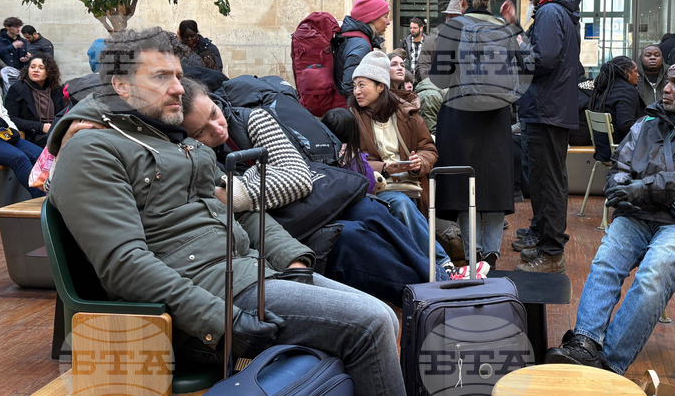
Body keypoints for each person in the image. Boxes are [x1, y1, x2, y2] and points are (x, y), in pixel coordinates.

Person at [47, 28, 404, 395]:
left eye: (179, 76)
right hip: (190, 310)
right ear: (121, 86)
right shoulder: (91, 149)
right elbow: (124, 263)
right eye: (160, 77)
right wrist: (223, 321)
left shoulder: (174, 140)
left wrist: (293, 259)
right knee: (372, 323)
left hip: (246, 274)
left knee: (385, 318)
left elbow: (239, 210)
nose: (177, 89)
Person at [176, 81, 474, 305]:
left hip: (316, 200)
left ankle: (440, 280)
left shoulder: (252, 118)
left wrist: (241, 190)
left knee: (373, 211)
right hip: (295, 227)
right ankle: (434, 298)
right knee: (352, 237)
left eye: (215, 113)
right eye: (202, 131)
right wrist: (269, 179)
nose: (217, 128)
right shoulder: (195, 159)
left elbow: (298, 179)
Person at [544, 58, 675, 373]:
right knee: (606, 262)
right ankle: (584, 344)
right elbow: (620, 165)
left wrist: (648, 188)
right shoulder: (646, 123)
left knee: (653, 276)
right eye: (666, 82)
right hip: (639, 215)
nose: (665, 89)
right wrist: (619, 186)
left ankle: (609, 363)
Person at [347, 52, 488, 275]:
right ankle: (444, 266)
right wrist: (383, 167)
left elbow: (428, 149)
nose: (356, 91)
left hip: (413, 186)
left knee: (406, 204)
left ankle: (429, 270)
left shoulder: (406, 113)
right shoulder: (352, 118)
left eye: (362, 85)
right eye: (354, 85)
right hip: (378, 188)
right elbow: (349, 158)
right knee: (401, 204)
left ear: (381, 86)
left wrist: (417, 162)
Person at [429, 0, 519, 270]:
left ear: (463, 2)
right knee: (493, 185)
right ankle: (492, 254)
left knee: (466, 184)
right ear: (488, 0)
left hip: (460, 114)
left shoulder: (452, 28)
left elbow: (439, 78)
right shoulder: (504, 28)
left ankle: (473, 256)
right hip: (496, 117)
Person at [500, 0, 581, 274]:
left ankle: (551, 254)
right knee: (547, 180)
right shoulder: (558, 12)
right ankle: (545, 238)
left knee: (547, 183)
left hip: (546, 111)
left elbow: (541, 58)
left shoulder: (550, 12)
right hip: (550, 109)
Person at [0, 46, 46, 198]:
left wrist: (12, 129)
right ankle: (42, 199)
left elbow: (2, 113)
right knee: (18, 158)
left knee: (40, 155)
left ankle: (53, 193)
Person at [588, 56, 644, 163]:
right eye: (635, 71)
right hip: (620, 151)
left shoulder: (606, 88)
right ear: (627, 73)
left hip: (603, 150)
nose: (638, 75)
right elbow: (625, 125)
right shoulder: (626, 91)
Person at [4, 55, 67, 148]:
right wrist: (41, 127)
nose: (36, 70)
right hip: (32, 134)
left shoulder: (56, 90)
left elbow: (64, 114)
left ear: (49, 71)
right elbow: (11, 118)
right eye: (32, 67)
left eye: (41, 68)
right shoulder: (17, 89)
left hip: (56, 132)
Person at [335, 0, 390, 98]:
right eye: (385, 16)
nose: (388, 22)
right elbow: (350, 87)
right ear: (372, 18)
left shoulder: (353, 38)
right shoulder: (361, 45)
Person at [415, 0, 463, 81]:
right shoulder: (430, 41)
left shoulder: (471, 41)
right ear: (446, 19)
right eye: (451, 17)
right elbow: (422, 69)